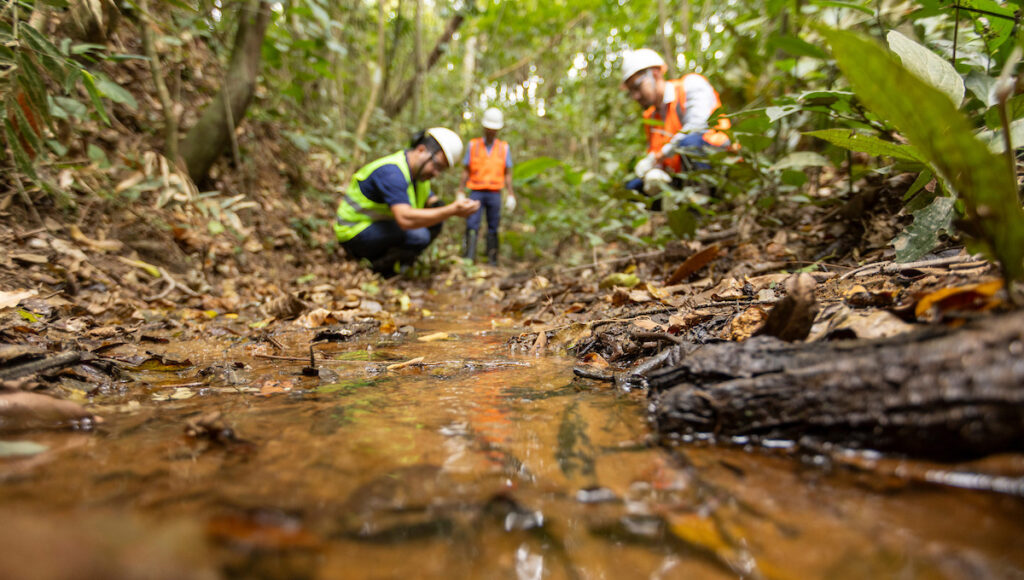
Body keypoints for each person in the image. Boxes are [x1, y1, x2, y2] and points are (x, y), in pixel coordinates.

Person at [334, 127, 481, 276]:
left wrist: (451, 205)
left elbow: (431, 200)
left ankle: (393, 266)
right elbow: (405, 219)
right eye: (436, 166)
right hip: (353, 232)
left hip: (376, 229)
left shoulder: (419, 176)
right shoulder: (391, 172)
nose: (436, 173)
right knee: (418, 235)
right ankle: (378, 269)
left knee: (434, 222)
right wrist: (451, 210)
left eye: (441, 170)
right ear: (421, 150)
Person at [620, 48, 732, 197]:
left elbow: (697, 127)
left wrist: (657, 157)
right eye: (631, 91)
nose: (635, 96)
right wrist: (654, 169)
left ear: (654, 74)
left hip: (718, 160)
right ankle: (671, 214)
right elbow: (656, 152)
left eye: (637, 87)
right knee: (632, 187)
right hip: (682, 173)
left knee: (689, 142)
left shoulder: (691, 85)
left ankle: (706, 206)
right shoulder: (651, 117)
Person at [456, 107, 516, 265]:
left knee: (493, 226)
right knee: (472, 224)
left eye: (494, 129)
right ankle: (468, 258)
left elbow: (507, 172)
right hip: (476, 191)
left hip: (494, 192)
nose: (491, 132)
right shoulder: (473, 145)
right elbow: (465, 170)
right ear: (484, 127)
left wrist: (510, 194)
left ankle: (492, 260)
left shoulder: (504, 148)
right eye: (489, 129)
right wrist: (460, 191)